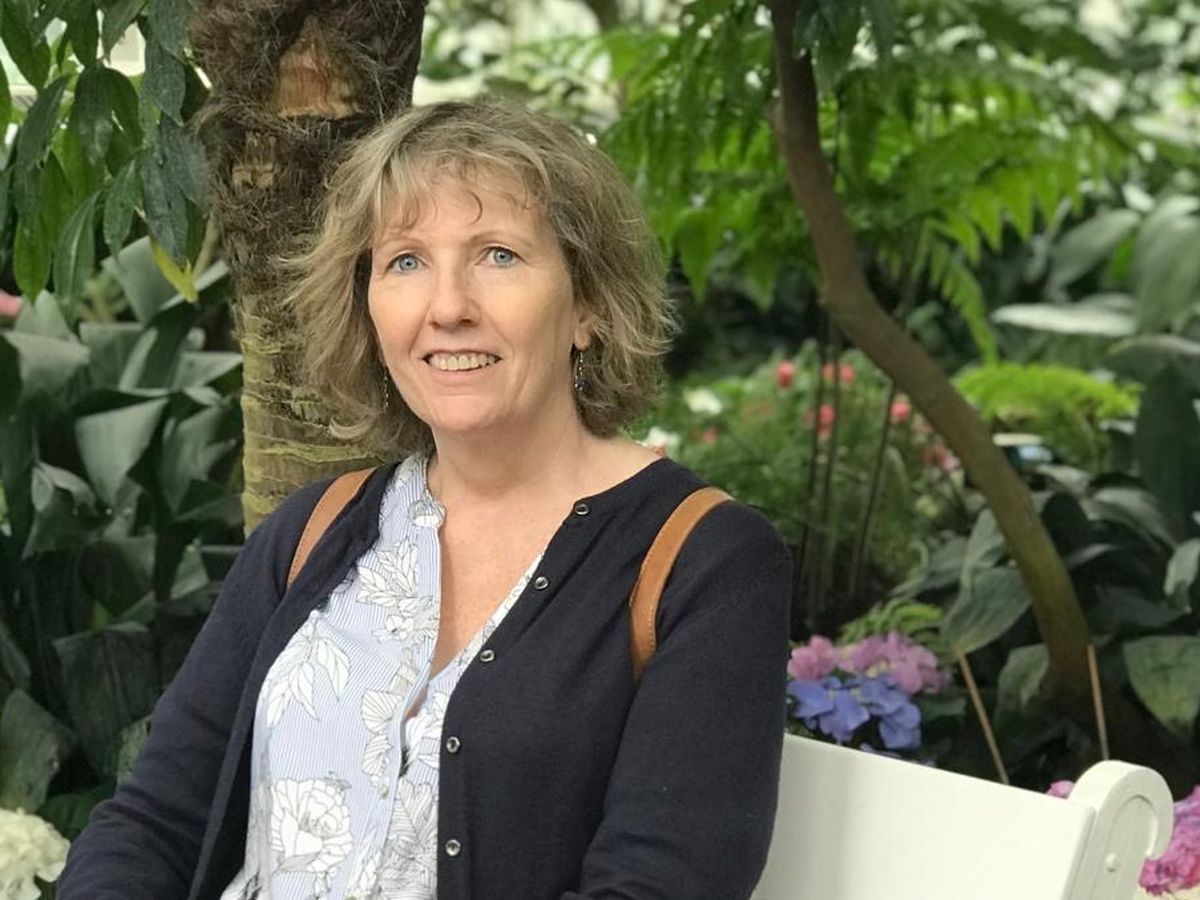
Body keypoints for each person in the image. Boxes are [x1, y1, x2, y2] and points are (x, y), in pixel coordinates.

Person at [58, 99, 791, 900]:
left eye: (498, 255)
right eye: (406, 261)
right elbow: (155, 821)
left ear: (588, 305)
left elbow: (658, 885)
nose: (447, 308)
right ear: (369, 306)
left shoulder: (705, 564)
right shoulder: (313, 531)